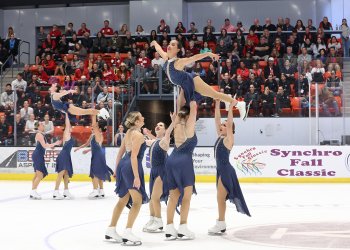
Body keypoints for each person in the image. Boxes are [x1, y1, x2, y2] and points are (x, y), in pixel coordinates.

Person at [150, 40, 247, 119]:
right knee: (184, 105)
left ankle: (239, 104)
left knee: (213, 94)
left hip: (191, 81)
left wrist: (208, 53)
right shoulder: (166, 57)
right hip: (184, 85)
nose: (170, 45)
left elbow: (194, 57)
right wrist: (154, 42)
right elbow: (159, 49)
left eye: (173, 44)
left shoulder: (178, 62)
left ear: (178, 49)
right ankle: (226, 99)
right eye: (170, 43)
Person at [106, 112, 149, 245]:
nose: (143, 118)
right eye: (141, 117)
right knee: (137, 200)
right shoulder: (138, 134)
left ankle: (111, 229)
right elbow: (134, 157)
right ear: (136, 122)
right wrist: (136, 176)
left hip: (123, 165)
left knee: (123, 199)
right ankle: (128, 232)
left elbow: (120, 154)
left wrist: (116, 170)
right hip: (131, 166)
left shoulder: (129, 132)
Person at [209, 100, 251, 234]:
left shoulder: (229, 140)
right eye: (222, 125)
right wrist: (216, 103)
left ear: (230, 129)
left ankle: (220, 223)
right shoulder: (220, 137)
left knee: (220, 198)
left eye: (225, 125)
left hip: (226, 170)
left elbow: (229, 122)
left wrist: (231, 109)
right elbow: (216, 119)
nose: (221, 125)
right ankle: (221, 223)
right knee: (219, 198)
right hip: (220, 170)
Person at [165, 101, 197, 240]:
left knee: (173, 197)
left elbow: (179, 102)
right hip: (184, 161)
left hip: (171, 159)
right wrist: (193, 97)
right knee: (186, 197)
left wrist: (183, 89)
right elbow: (194, 106)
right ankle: (183, 227)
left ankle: (169, 228)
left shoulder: (176, 122)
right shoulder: (189, 124)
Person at [142, 114, 175, 233]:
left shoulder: (164, 141)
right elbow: (146, 141)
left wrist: (173, 122)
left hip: (161, 171)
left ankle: (159, 221)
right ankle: (152, 219)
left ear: (165, 130)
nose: (157, 126)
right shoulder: (155, 142)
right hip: (153, 171)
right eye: (157, 125)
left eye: (160, 125)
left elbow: (168, 133)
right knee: (152, 198)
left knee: (155, 198)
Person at [75, 114, 113, 199]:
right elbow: (87, 144)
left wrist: (93, 115)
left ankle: (95, 190)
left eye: (95, 128)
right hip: (96, 154)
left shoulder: (99, 135)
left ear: (99, 128)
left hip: (98, 155)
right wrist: (78, 148)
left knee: (95, 172)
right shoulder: (92, 136)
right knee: (98, 172)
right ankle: (101, 191)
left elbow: (94, 125)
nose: (93, 128)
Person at [30, 122, 61, 199]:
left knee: (37, 175)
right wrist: (54, 143)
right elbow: (44, 145)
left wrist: (52, 146)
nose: (43, 125)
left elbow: (45, 144)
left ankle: (33, 191)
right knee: (40, 175)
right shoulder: (39, 134)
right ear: (38, 127)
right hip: (38, 155)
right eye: (41, 124)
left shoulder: (42, 134)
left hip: (38, 155)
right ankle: (33, 191)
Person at [53, 113, 74, 200]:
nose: (71, 128)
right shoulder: (66, 133)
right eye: (70, 127)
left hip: (67, 155)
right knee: (61, 173)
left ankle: (66, 191)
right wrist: (66, 114)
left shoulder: (69, 135)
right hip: (63, 155)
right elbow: (67, 123)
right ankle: (55, 192)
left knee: (66, 174)